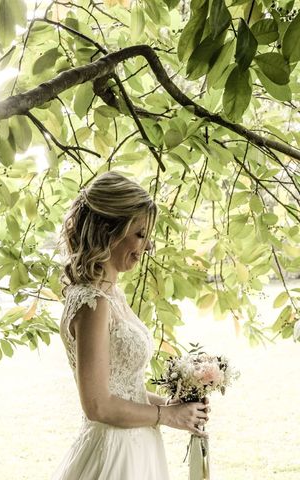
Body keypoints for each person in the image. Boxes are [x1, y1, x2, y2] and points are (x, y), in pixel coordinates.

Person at [51, 171, 210, 480]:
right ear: (109, 231)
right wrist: (166, 416)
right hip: (115, 453)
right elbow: (98, 405)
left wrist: (174, 406)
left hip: (137, 445)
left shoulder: (112, 294)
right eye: (139, 234)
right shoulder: (93, 304)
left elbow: (123, 388)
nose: (148, 246)